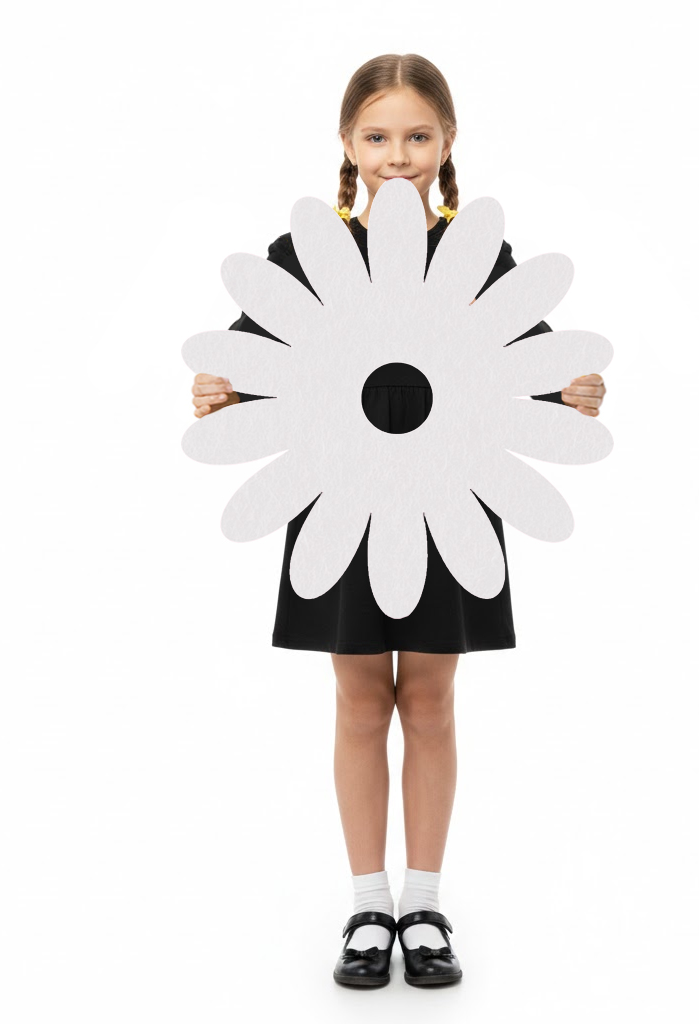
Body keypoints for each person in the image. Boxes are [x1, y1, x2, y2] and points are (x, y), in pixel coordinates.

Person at [189, 54, 607, 987]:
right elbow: (255, 372)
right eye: (378, 136)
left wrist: (573, 388)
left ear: (448, 142)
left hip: (446, 498)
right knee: (357, 700)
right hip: (340, 500)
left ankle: (423, 903)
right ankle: (367, 906)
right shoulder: (306, 253)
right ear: (347, 143)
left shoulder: (474, 254)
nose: (398, 155)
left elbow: (529, 369)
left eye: (418, 136)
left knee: (429, 699)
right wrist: (218, 390)